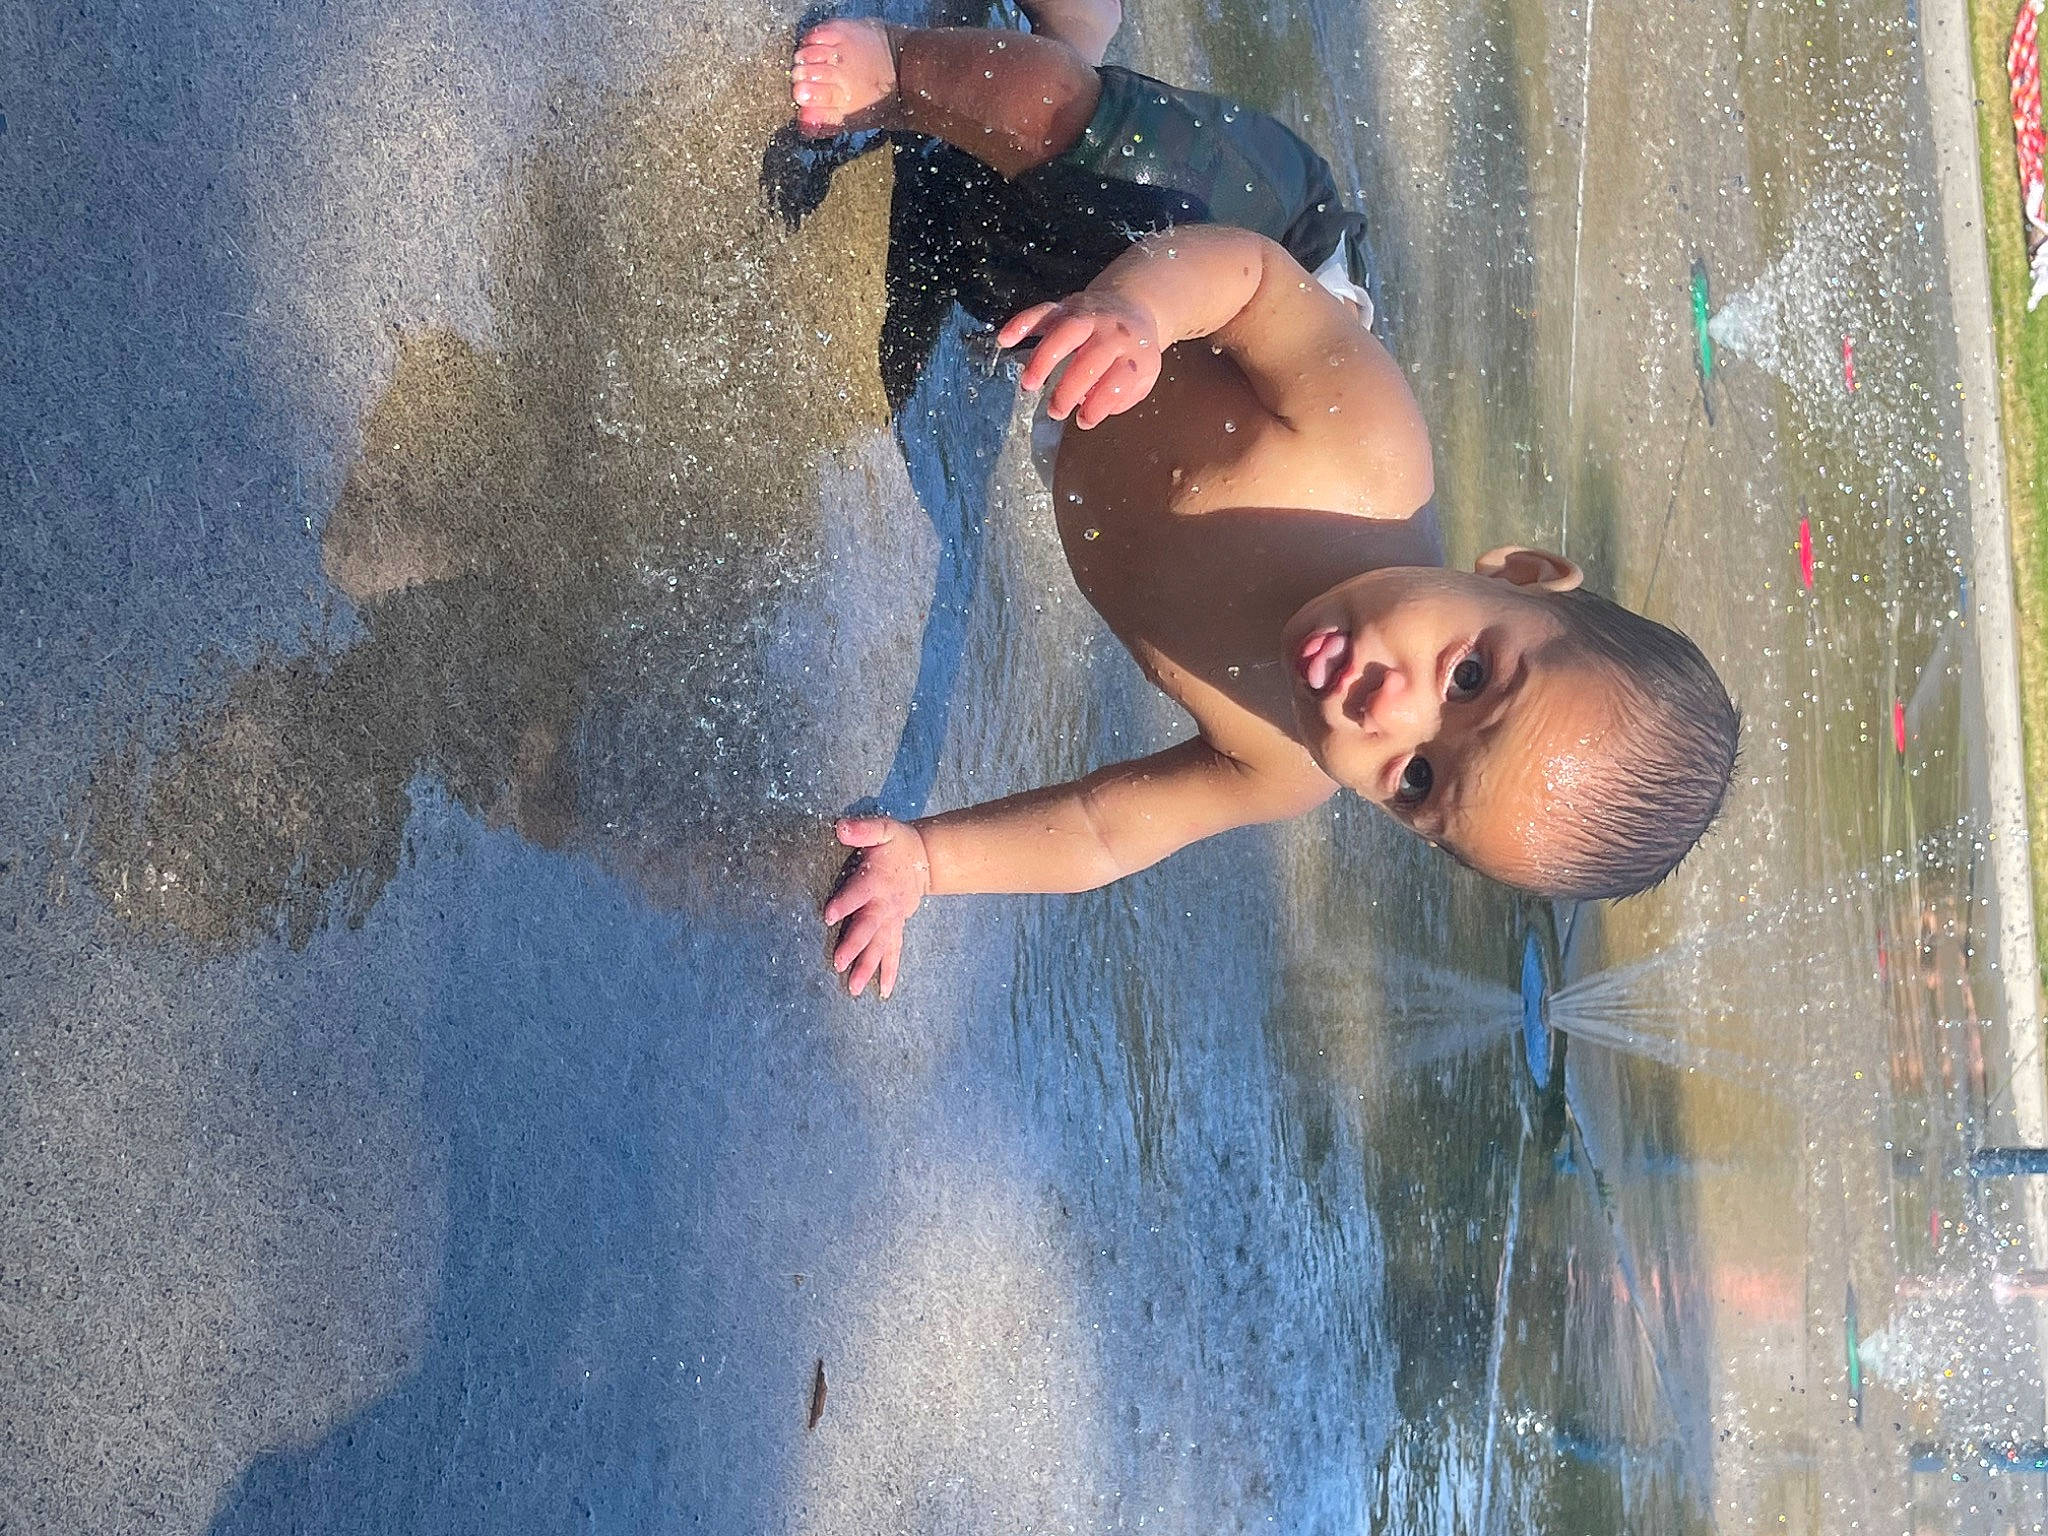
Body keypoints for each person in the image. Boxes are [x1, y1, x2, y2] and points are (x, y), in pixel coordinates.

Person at [791, 4, 1740, 998]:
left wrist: (928, 865)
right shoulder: (1364, 452)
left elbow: (1103, 832)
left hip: (1091, 384)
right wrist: (1137, 314)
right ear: (1519, 575)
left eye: (1417, 782)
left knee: (1011, 239)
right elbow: (1249, 285)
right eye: (1466, 680)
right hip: (1225, 245)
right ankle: (899, 73)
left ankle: (1075, 32)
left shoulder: (1277, 760)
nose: (1386, 713)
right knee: (1071, 123)